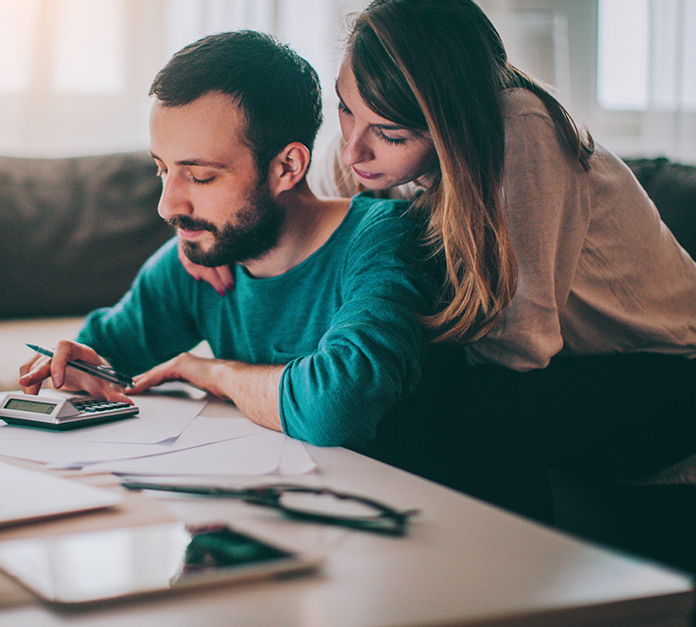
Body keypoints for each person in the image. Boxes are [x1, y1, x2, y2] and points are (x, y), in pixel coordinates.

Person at [182, 0, 696, 523]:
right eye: (345, 107)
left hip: (663, 372)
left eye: (391, 134)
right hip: (562, 370)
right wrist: (212, 235)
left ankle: (503, 579)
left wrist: (361, 362)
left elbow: (519, 346)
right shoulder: (370, 148)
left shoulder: (521, 132)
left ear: (452, 126)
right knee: (374, 376)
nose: (352, 151)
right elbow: (303, 223)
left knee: (442, 393)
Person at [19, 30, 438, 449]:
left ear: (286, 167)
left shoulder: (387, 241)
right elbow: (102, 354)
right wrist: (78, 367)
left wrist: (215, 372)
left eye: (200, 176)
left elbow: (337, 410)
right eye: (162, 169)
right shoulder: (202, 258)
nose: (168, 206)